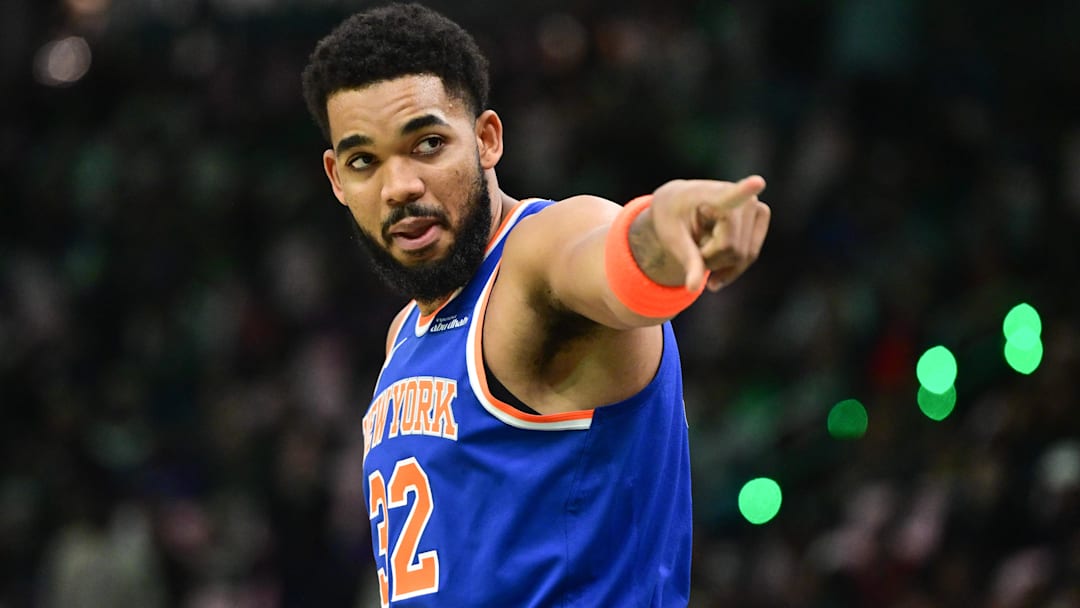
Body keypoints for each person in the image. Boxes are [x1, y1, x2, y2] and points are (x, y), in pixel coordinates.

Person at [301, 3, 771, 606]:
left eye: (427, 144)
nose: (399, 187)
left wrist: (669, 222)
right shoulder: (406, 334)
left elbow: (610, 256)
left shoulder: (536, 255)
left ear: (486, 139)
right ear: (337, 179)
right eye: (365, 161)